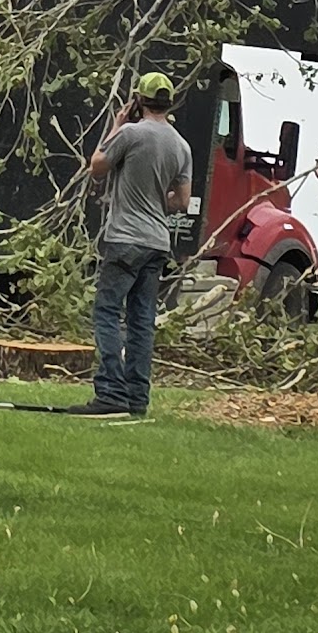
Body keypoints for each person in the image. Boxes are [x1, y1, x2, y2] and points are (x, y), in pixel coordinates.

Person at [65, 72, 193, 418]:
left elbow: (97, 167)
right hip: (157, 243)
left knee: (107, 312)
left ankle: (110, 393)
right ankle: (137, 399)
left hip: (125, 239)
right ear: (169, 103)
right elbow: (181, 201)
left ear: (138, 100)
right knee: (141, 321)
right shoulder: (182, 146)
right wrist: (155, 197)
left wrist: (116, 124)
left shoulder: (130, 133)